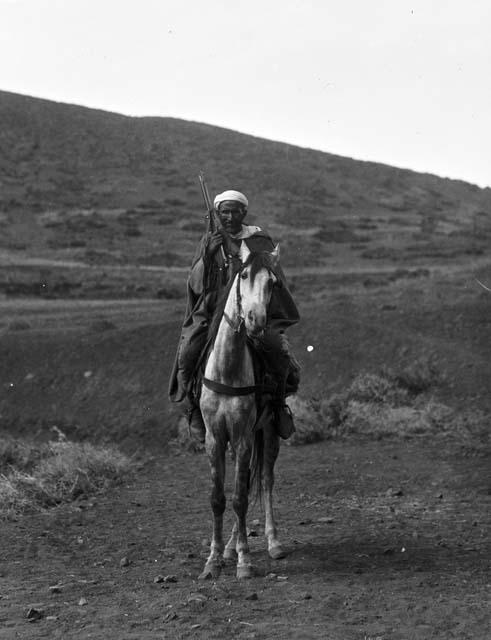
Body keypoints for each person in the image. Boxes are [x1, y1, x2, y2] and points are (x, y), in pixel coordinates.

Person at [168, 189, 300, 442]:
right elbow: (196, 285)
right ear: (217, 213)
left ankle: (277, 406)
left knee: (280, 355)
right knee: (188, 353)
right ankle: (194, 408)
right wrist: (207, 256)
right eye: (224, 211)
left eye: (235, 211)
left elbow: (274, 281)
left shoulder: (259, 241)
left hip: (253, 311)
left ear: (244, 212)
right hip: (213, 311)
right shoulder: (209, 241)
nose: (229, 216)